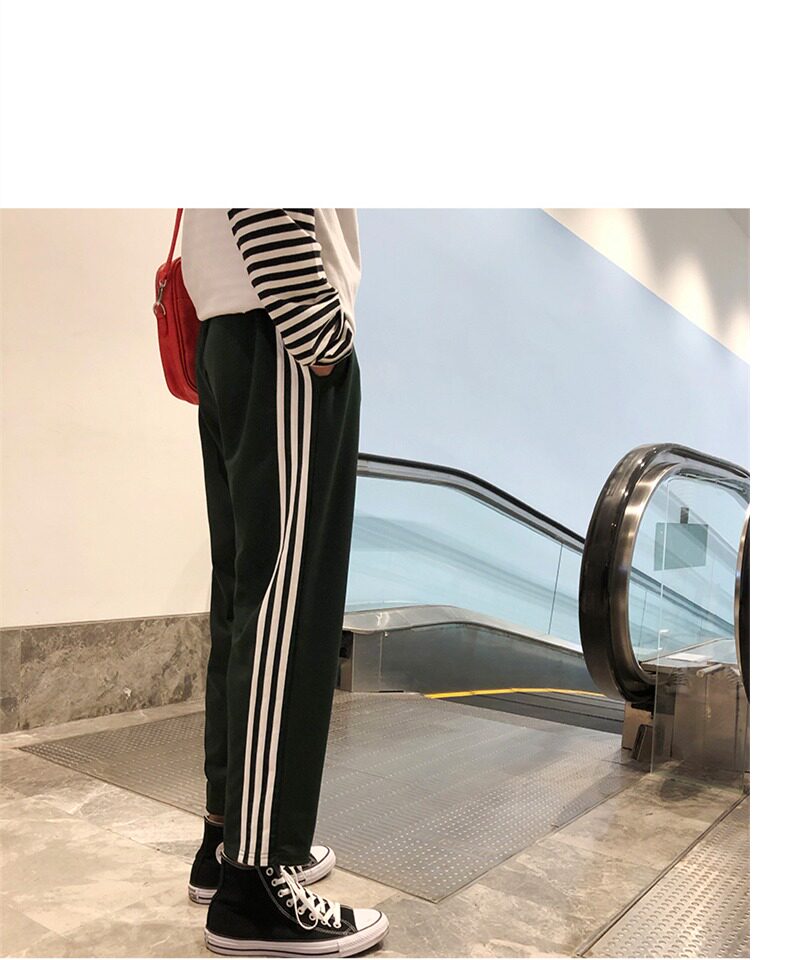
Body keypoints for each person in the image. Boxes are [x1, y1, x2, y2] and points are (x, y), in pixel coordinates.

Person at [180, 209, 389, 957]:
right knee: (286, 608)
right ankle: (257, 882)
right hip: (282, 336)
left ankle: (226, 840)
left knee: (246, 601)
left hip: (231, 333)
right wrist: (322, 337)